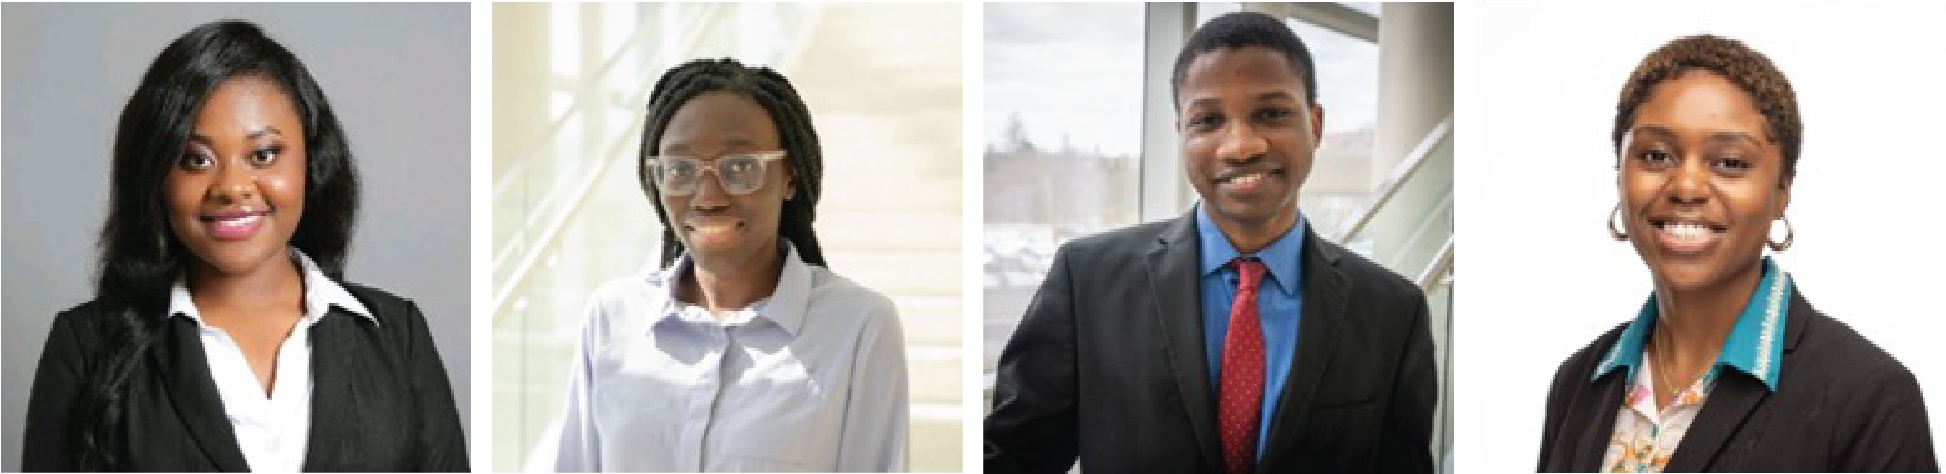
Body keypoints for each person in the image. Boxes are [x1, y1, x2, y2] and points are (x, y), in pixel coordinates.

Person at [984, 11, 1436, 473]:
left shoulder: (1393, 312)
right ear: (1181, 134)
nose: (1240, 145)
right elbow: (1012, 457)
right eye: (1208, 120)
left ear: (1315, 125)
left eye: (1271, 114)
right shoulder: (1087, 282)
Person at [21, 20, 467, 472]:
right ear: (156, 177)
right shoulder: (86, 349)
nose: (232, 187)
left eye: (263, 155)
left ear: (312, 162)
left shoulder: (398, 337)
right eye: (195, 159)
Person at [1536, 34, 1938, 472]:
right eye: (1655, 155)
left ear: (1782, 189)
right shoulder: (1578, 384)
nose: (1686, 187)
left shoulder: (1869, 399)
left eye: (1729, 163)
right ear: (1620, 172)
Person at [527, 58, 909, 473]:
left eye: (740, 167)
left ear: (790, 176)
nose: (708, 197)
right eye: (680, 169)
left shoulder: (858, 327)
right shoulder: (612, 318)